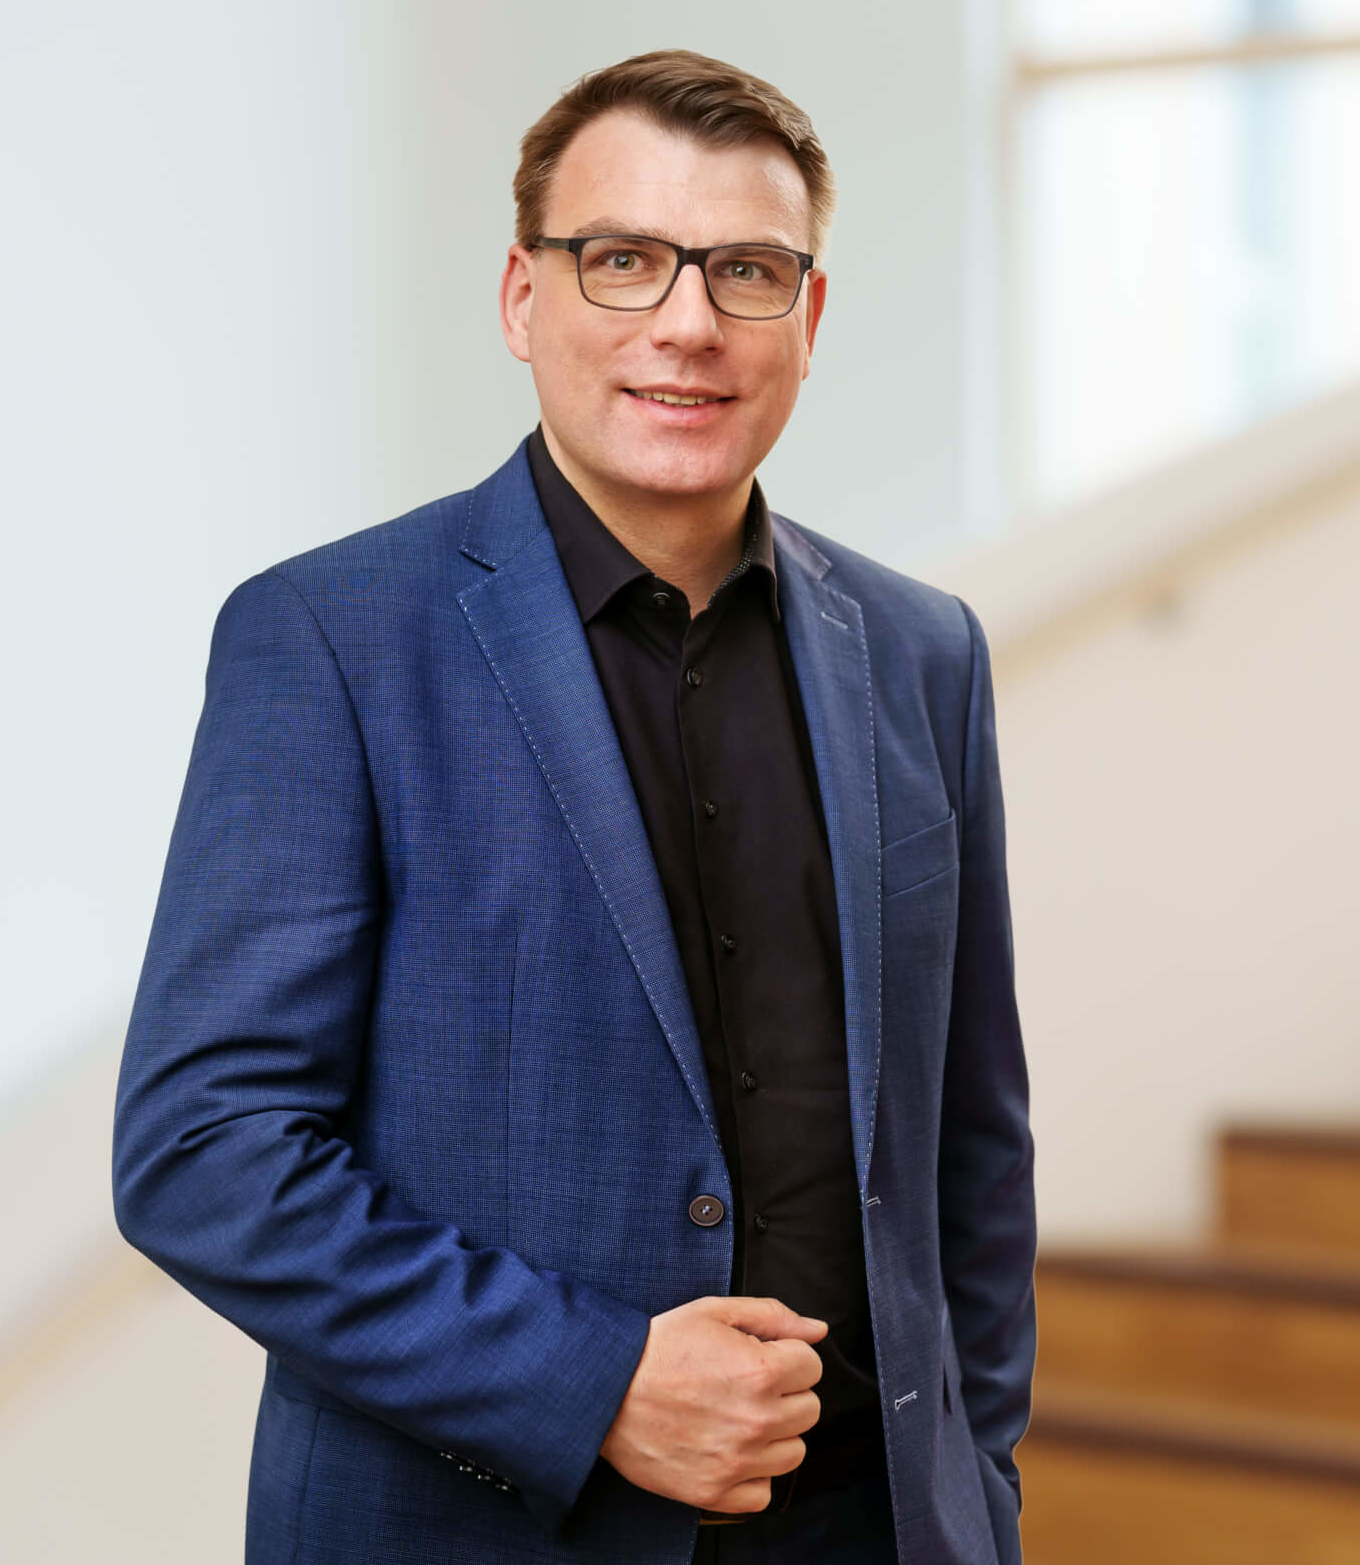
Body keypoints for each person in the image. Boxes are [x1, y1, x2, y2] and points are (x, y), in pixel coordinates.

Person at [112, 47, 1034, 1565]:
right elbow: (206, 1150)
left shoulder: (925, 652)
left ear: (807, 318)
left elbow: (970, 1148)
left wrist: (977, 1491)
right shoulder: (330, 637)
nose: (687, 322)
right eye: (623, 260)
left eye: (745, 271)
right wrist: (592, 1382)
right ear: (521, 298)